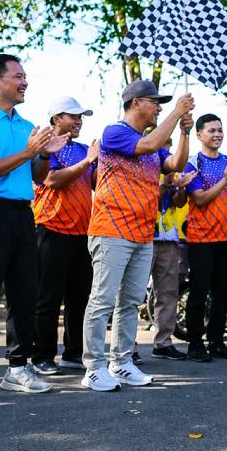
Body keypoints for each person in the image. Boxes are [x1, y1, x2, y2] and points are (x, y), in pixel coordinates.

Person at [0, 54, 67, 402]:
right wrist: (28, 151)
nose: (25, 82)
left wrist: (45, 154)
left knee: (25, 293)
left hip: (22, 213)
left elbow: (36, 175)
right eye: (18, 76)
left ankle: (18, 367)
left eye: (26, 76)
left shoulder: (26, 125)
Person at [81, 81, 194, 391]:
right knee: (102, 301)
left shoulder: (153, 143)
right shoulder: (114, 132)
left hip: (143, 233)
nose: (158, 107)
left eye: (162, 104)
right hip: (111, 230)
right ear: (135, 103)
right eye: (154, 102)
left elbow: (176, 164)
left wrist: (184, 131)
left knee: (130, 302)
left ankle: (121, 363)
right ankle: (93, 367)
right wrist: (176, 112)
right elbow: (145, 147)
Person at [31, 97, 98, 375]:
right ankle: (42, 356)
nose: (79, 120)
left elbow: (95, 184)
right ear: (56, 118)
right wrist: (88, 162)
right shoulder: (45, 146)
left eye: (81, 116)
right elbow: (51, 180)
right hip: (50, 228)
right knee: (48, 298)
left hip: (82, 232)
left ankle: (73, 352)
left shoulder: (84, 149)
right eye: (73, 116)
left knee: (79, 297)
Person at [182, 114, 227, 362]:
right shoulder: (193, 164)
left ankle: (217, 341)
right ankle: (194, 344)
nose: (217, 134)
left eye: (220, 130)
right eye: (211, 130)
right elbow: (199, 198)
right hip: (201, 239)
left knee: (223, 292)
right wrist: (225, 178)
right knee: (199, 291)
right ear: (200, 135)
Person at [149, 166, 192, 361]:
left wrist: (181, 188)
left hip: (168, 237)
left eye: (167, 143)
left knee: (168, 293)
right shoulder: (140, 165)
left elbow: (179, 203)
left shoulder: (173, 171)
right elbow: (147, 198)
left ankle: (163, 343)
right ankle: (127, 346)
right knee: (131, 294)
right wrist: (164, 185)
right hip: (143, 235)